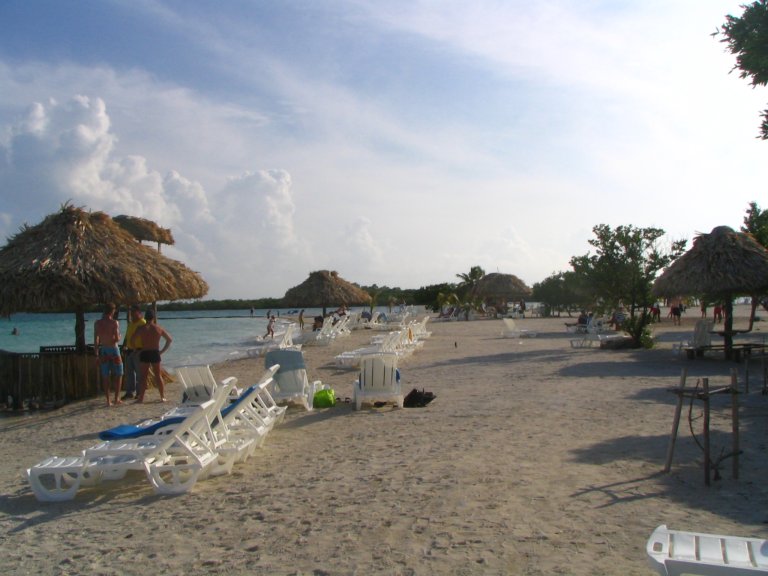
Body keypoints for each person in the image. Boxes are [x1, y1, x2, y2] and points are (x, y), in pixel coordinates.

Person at [131, 308, 172, 403]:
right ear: (153, 318)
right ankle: (162, 397)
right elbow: (169, 339)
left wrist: (136, 350)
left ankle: (141, 398)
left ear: (145, 318)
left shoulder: (141, 328)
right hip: (155, 352)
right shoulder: (158, 328)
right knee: (158, 376)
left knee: (143, 377)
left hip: (145, 352)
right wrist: (162, 351)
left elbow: (132, 340)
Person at [94, 303, 123, 406]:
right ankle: (116, 398)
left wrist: (96, 354)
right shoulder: (114, 323)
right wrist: (120, 336)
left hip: (104, 350)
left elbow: (96, 340)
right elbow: (116, 338)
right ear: (112, 311)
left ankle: (107, 400)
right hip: (114, 350)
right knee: (119, 374)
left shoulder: (97, 323)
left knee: (105, 375)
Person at [121, 305, 145, 400]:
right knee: (129, 372)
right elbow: (127, 336)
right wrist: (124, 345)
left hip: (138, 350)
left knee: (139, 373)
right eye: (131, 312)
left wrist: (142, 349)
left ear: (138, 312)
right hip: (130, 350)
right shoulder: (131, 323)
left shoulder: (142, 323)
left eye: (133, 312)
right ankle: (129, 392)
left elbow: (145, 337)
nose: (131, 314)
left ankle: (139, 392)